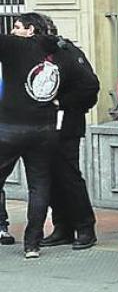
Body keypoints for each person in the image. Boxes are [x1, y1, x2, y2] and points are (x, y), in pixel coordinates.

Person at [9, 14, 101, 252]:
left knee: (68, 175)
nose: (13, 33)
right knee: (47, 177)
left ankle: (85, 227)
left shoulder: (66, 52)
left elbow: (90, 86)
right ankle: (62, 227)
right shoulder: (26, 53)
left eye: (18, 28)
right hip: (39, 126)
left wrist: (61, 102)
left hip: (66, 124)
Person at [0, 26, 73, 257]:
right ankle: (32, 244)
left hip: (11, 125)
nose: (13, 29)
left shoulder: (12, 45)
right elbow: (84, 82)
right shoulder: (57, 47)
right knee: (39, 185)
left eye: (18, 25)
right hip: (44, 128)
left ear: (30, 29)